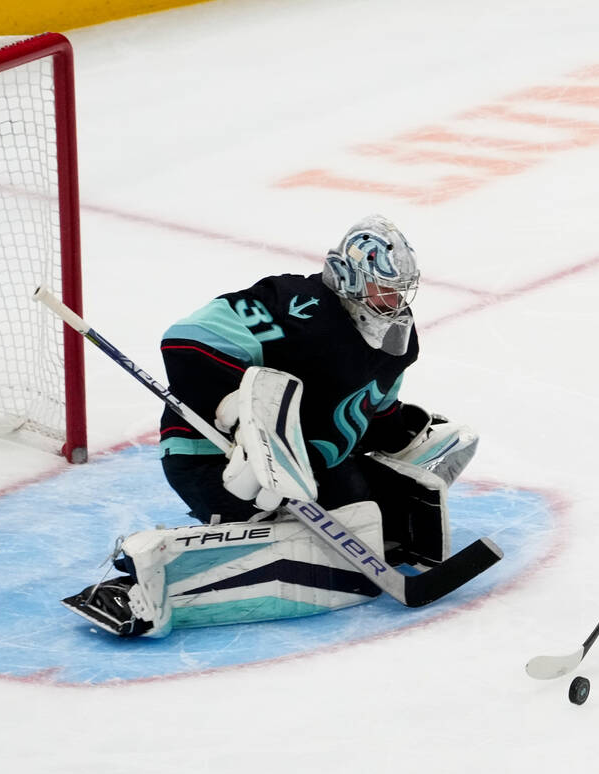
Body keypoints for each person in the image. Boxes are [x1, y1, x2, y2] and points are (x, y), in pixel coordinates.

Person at [63, 215, 479, 636]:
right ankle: (144, 577)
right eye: (382, 287)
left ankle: (288, 526)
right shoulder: (295, 304)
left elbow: (374, 409)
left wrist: (403, 431)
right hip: (212, 456)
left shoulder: (395, 342)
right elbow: (187, 340)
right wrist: (241, 414)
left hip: (310, 467)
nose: (393, 299)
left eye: (398, 289)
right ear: (350, 279)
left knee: (366, 515)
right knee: (301, 533)